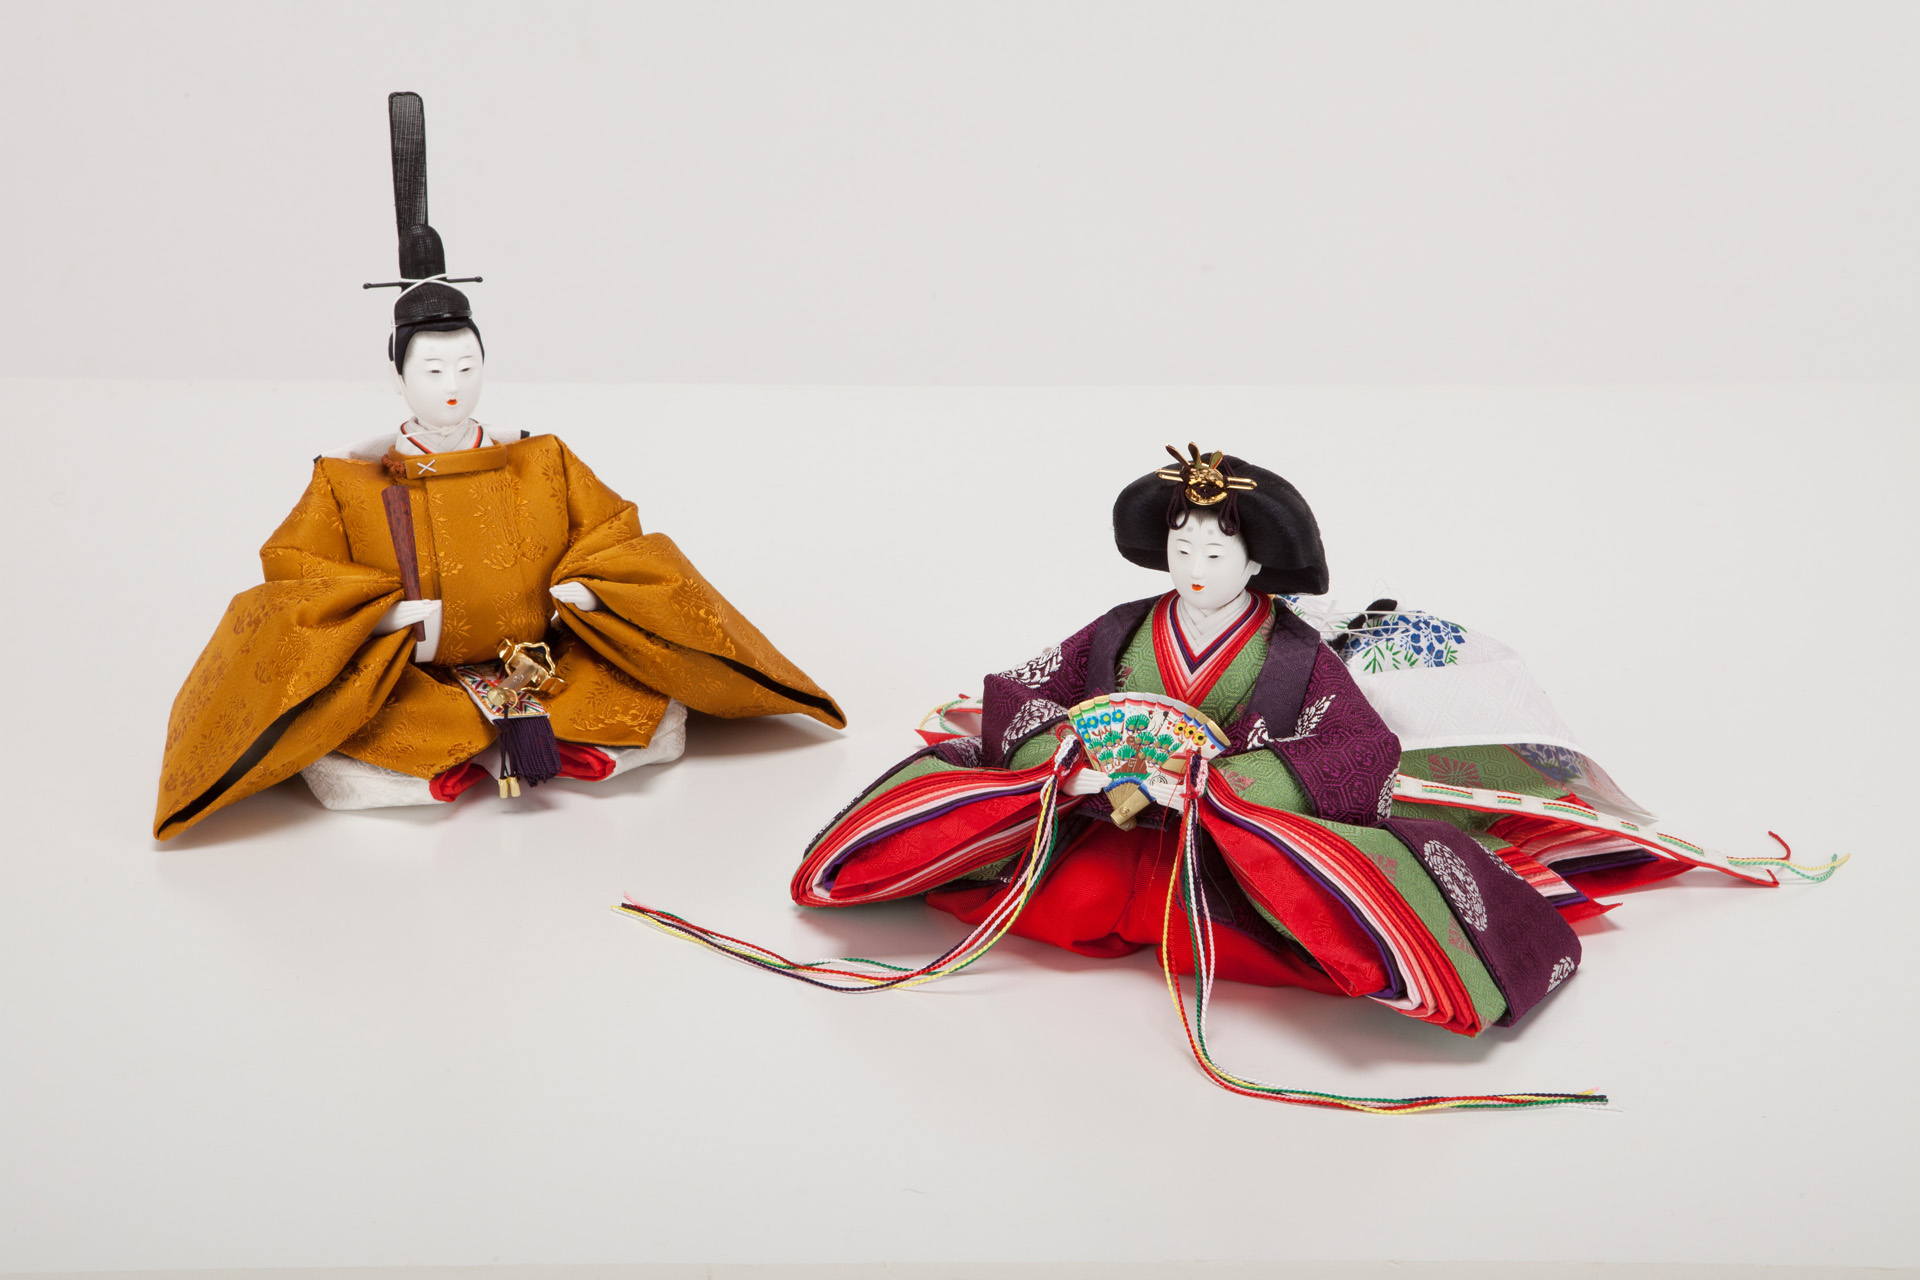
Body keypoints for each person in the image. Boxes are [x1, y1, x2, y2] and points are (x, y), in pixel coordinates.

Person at [626, 445, 1835, 1110]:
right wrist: (1079, 756)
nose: (1195, 559)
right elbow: (1027, 688)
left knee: (1343, 880)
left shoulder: (1296, 654)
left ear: (1261, 562)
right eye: (1182, 543)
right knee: (950, 799)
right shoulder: (1121, 626)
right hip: (1101, 815)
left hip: (1223, 834)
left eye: (1217, 546)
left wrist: (1224, 782)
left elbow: (1355, 750)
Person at [152, 93, 843, 840]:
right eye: (432, 370)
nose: (452, 385)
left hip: (543, 661)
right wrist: (378, 615)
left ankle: (566, 750)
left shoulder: (541, 459)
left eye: (467, 365)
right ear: (397, 378)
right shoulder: (348, 482)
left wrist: (591, 588)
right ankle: (451, 759)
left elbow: (614, 532)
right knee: (368, 726)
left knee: (631, 698)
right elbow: (297, 574)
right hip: (414, 677)